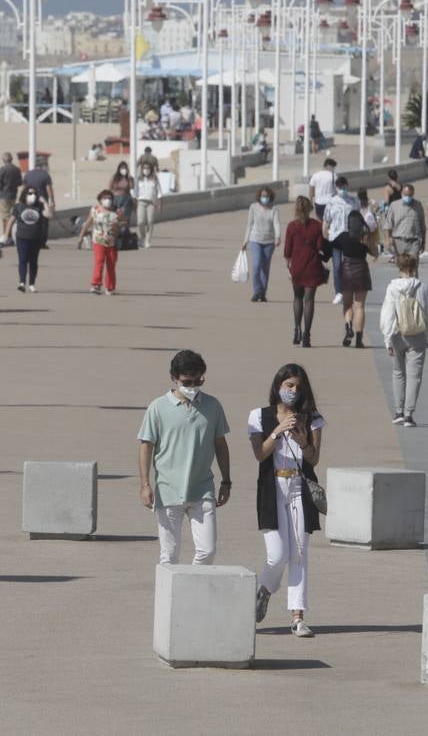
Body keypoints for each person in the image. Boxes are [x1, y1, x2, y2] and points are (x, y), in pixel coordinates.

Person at [137, 350, 232, 565]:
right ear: (174, 378)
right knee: (168, 556)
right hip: (168, 490)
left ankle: (192, 593)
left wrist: (226, 481)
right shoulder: (157, 407)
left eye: (198, 380)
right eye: (187, 381)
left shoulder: (213, 406)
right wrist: (145, 484)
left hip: (202, 488)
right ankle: (169, 598)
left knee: (207, 551)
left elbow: (221, 444)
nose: (192, 385)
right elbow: (146, 446)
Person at [250, 362, 324, 636]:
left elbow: (314, 458)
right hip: (272, 487)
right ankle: (266, 588)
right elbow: (259, 454)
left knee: (300, 552)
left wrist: (303, 440)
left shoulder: (312, 418)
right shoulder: (259, 416)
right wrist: (278, 430)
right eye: (288, 385)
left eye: (298, 387)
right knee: (278, 554)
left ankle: (297, 615)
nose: (293, 391)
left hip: (299, 486)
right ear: (278, 385)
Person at [380, 253, 428, 426]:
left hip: (397, 334)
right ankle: (409, 415)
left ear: (399, 267)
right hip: (417, 335)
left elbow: (387, 314)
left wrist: (387, 339)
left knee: (398, 372)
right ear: (415, 267)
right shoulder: (422, 287)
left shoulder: (392, 288)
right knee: (414, 375)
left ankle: (398, 411)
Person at [283, 196, 327, 347]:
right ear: (309, 209)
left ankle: (297, 330)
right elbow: (320, 246)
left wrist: (289, 265)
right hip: (312, 265)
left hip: (297, 267)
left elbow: (287, 250)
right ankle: (307, 336)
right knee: (309, 301)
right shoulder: (317, 225)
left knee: (297, 298)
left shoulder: (291, 226)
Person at [331, 210, 375, 348]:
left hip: (347, 271)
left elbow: (331, 246)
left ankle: (349, 327)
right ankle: (359, 340)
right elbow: (375, 253)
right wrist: (369, 242)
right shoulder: (365, 237)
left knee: (347, 305)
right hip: (362, 270)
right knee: (360, 306)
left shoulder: (343, 236)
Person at [322, 176, 359, 305]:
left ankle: (348, 290)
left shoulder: (354, 201)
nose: (343, 190)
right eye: (340, 188)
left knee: (349, 265)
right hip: (336, 238)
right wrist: (325, 235)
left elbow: (358, 218)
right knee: (337, 266)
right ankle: (338, 292)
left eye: (344, 187)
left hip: (350, 237)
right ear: (336, 188)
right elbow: (326, 221)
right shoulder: (332, 202)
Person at [5, 185, 49, 292]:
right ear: (25, 194)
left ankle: (32, 284)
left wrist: (45, 203)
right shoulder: (19, 206)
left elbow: (48, 215)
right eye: (29, 193)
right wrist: (6, 235)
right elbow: (11, 221)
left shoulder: (39, 206)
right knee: (23, 260)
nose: (32, 195)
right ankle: (22, 282)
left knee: (33, 262)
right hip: (22, 238)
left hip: (36, 238)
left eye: (34, 193)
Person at [242, 186, 282, 303]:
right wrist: (245, 241)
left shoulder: (274, 209)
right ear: (259, 196)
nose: (265, 198)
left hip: (269, 241)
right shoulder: (253, 207)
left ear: (270, 197)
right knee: (256, 264)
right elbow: (249, 225)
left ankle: (263, 293)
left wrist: (278, 236)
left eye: (267, 196)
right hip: (255, 240)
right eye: (263, 196)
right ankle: (256, 291)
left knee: (265, 268)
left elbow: (276, 223)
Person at [78, 189, 121, 294]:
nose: (108, 200)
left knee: (111, 264)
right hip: (98, 240)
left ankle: (110, 287)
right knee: (99, 261)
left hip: (112, 242)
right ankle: (96, 284)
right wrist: (81, 236)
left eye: (109, 198)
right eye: (105, 198)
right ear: (100, 200)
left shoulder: (116, 212)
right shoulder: (95, 210)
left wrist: (116, 227)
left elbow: (121, 226)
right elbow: (88, 222)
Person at [384, 183, 426, 261]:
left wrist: (423, 242)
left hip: (414, 242)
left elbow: (422, 225)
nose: (407, 197)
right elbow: (388, 224)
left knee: (413, 268)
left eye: (409, 195)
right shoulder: (394, 205)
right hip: (398, 241)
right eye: (405, 195)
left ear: (413, 194)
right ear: (401, 193)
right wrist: (387, 239)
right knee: (402, 268)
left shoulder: (418, 205)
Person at [0, 152, 23, 240]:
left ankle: (6, 235)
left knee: (5, 217)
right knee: (11, 215)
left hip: (4, 195)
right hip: (13, 194)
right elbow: (20, 182)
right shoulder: (17, 169)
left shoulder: (3, 169)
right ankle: (9, 235)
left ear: (4, 160)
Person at [134, 161, 163, 248]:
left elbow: (159, 192)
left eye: (148, 168)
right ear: (142, 169)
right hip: (141, 202)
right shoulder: (139, 179)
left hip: (151, 202)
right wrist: (135, 202)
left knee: (150, 222)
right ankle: (142, 237)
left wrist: (160, 204)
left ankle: (147, 240)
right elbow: (135, 192)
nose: (146, 170)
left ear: (151, 169)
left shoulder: (154, 178)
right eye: (144, 168)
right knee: (140, 222)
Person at [110, 161, 135, 228]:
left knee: (124, 218)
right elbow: (110, 187)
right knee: (114, 218)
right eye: (122, 168)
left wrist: (129, 179)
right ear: (119, 169)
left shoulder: (129, 178)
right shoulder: (115, 177)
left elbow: (132, 187)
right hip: (115, 199)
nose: (123, 170)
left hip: (125, 199)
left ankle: (124, 233)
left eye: (125, 168)